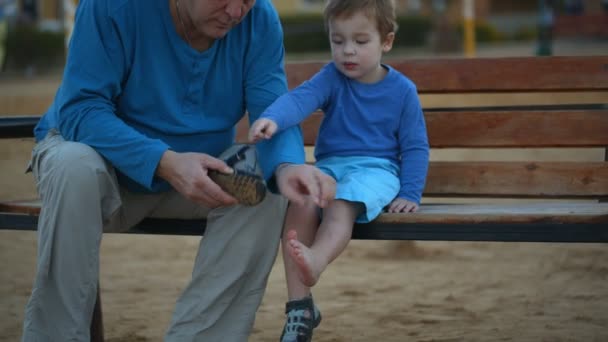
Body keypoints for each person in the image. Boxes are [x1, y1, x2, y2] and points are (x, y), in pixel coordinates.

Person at [21, 0, 336, 341]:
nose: (236, 12)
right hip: (100, 171)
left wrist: (288, 166)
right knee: (72, 166)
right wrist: (165, 161)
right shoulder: (110, 6)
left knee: (267, 179)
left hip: (198, 178)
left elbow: (273, 113)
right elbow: (80, 109)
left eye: (247, 0)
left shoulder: (258, 19)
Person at [248, 0, 429, 340]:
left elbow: (415, 147)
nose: (347, 51)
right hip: (331, 167)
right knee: (302, 198)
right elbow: (300, 99)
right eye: (338, 40)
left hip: (376, 171)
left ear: (385, 42)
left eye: (360, 42)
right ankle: (299, 309)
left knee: (343, 200)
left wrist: (410, 193)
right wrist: (273, 117)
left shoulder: (402, 91)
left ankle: (316, 260)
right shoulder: (332, 77)